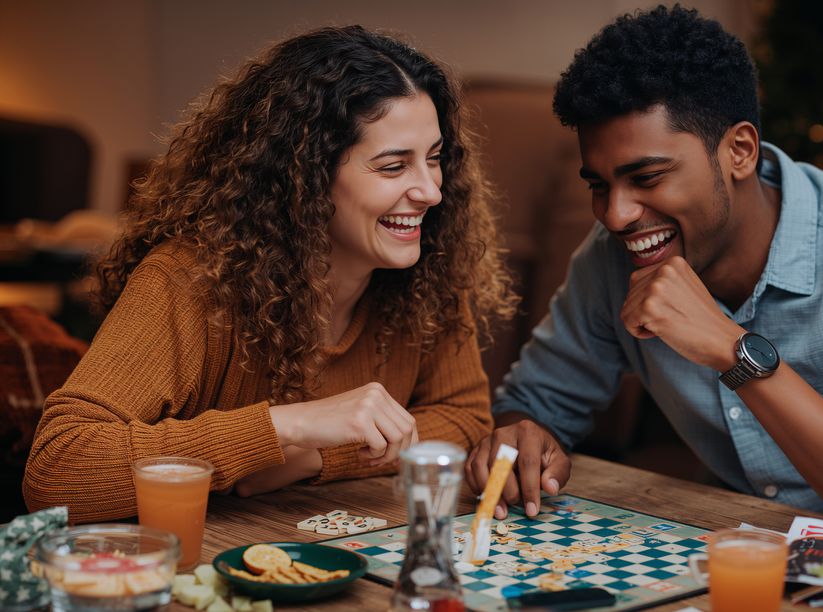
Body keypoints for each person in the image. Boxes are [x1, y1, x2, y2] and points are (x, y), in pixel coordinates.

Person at [464, 5, 823, 562]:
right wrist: (524, 436)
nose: (616, 215)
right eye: (599, 185)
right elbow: (535, 406)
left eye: (647, 177)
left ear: (740, 151)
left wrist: (734, 352)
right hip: (774, 565)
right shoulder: (612, 260)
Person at [23, 25, 516, 523]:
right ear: (305, 176)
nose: (431, 191)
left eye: (434, 159)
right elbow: (59, 470)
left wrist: (315, 457)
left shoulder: (429, 272)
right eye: (393, 167)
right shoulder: (186, 280)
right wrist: (284, 428)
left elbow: (464, 418)